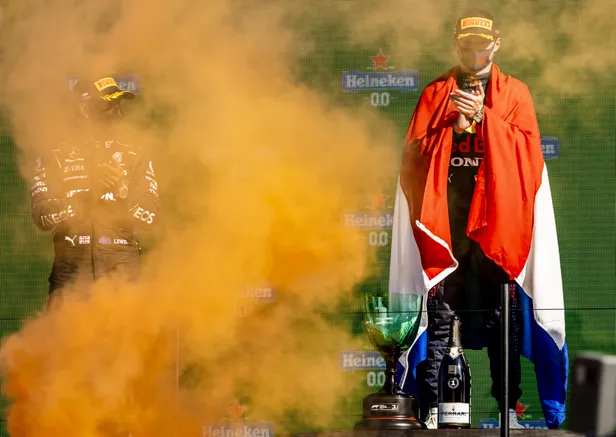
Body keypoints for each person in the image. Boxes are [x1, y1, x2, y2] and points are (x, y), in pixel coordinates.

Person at [388, 10, 568, 430]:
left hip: (496, 227)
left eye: (482, 45)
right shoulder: (436, 93)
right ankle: (431, 410)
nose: (475, 52)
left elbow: (529, 158)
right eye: (467, 44)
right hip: (446, 226)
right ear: (456, 44)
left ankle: (508, 410)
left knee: (502, 319)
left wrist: (486, 119)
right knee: (440, 318)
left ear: (496, 44)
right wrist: (453, 127)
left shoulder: (515, 93)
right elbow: (413, 159)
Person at [30, 76, 160, 310]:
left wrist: (121, 193)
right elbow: (42, 216)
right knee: (64, 335)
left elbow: (150, 216)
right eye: (109, 106)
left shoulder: (135, 155)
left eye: (119, 105)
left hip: (123, 276)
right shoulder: (55, 154)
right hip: (71, 277)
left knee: (127, 335)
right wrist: (87, 196)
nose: (118, 114)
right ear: (84, 110)